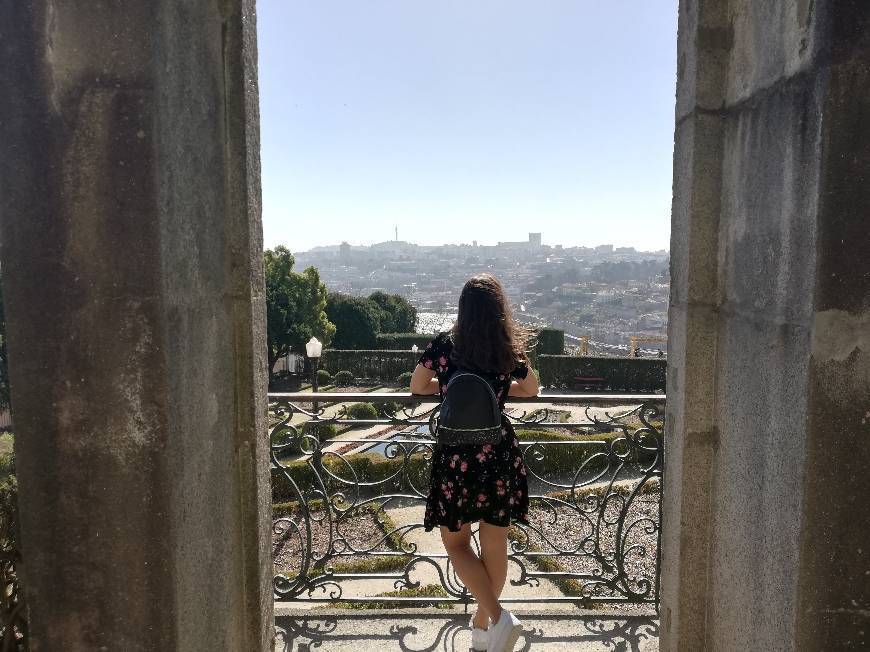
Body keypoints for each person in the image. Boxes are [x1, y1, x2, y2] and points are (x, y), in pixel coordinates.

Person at [410, 273, 539, 652]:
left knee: (455, 543)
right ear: (500, 310)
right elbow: (532, 389)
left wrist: (446, 387)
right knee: (495, 545)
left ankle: (496, 619)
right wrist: (503, 389)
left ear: (463, 309)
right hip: (496, 455)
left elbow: (417, 386)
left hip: (455, 458)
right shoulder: (506, 350)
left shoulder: (445, 346)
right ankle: (484, 632)